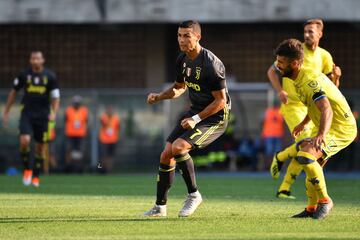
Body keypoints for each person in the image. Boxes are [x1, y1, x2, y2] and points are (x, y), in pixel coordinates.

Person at [143, 20, 230, 217]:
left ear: (198, 37)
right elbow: (179, 87)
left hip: (215, 117)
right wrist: (160, 96)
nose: (182, 40)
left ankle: (194, 195)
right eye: (179, 36)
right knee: (166, 154)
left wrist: (196, 118)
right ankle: (160, 207)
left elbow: (221, 101)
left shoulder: (211, 64)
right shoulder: (182, 59)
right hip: (196, 112)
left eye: (186, 36)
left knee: (179, 147)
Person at [274, 38, 357, 219]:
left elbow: (325, 107)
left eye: (281, 63)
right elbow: (314, 107)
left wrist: (321, 134)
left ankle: (325, 201)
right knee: (312, 163)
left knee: (306, 156)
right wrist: (303, 123)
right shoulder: (298, 78)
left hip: (341, 128)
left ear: (295, 63)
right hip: (328, 124)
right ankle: (311, 208)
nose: (278, 66)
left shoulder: (309, 80)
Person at [267, 19, 342, 199]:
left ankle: (284, 178)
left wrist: (337, 78)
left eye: (311, 31)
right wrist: (280, 91)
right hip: (292, 105)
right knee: (306, 142)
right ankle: (285, 179)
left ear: (320, 34)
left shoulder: (325, 56)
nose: (307, 35)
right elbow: (272, 71)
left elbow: (330, 87)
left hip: (310, 107)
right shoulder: (295, 51)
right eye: (305, 31)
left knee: (307, 146)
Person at [2, 51, 60, 187]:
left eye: (38, 58)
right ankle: (27, 169)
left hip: (43, 116)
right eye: (33, 58)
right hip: (27, 114)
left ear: (43, 60)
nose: (35, 60)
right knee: (25, 140)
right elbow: (13, 92)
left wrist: (54, 112)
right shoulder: (24, 75)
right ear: (30, 60)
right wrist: (6, 111)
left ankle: (36, 176)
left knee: (40, 147)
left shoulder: (50, 76)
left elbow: (56, 97)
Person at [64, 95, 88, 173]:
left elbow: (86, 120)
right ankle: (68, 168)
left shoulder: (84, 110)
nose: (77, 105)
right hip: (70, 134)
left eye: (78, 103)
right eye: (75, 103)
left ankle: (79, 167)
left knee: (80, 151)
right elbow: (65, 120)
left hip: (80, 134)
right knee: (69, 150)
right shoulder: (68, 110)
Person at [261, 101, 284, 170]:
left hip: (278, 135)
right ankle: (268, 166)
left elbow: (283, 123)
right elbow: (263, 122)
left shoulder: (280, 111)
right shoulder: (268, 111)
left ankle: (276, 166)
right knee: (269, 151)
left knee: (277, 152)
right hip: (269, 134)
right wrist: (263, 134)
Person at [98, 106, 120, 173]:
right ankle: (101, 168)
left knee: (110, 156)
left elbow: (118, 127)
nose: (110, 111)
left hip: (113, 140)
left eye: (111, 110)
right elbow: (103, 123)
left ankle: (108, 170)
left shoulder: (116, 118)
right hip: (104, 140)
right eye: (109, 110)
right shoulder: (103, 117)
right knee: (104, 155)